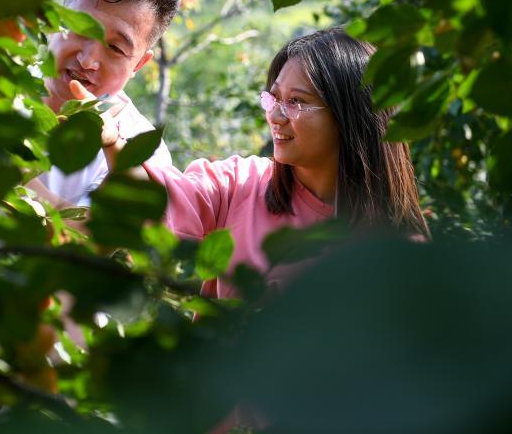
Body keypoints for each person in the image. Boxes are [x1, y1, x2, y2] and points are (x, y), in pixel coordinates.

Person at [97, 27, 431, 298]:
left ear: (349, 115)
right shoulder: (242, 184)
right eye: (274, 98)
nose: (274, 115)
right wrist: (112, 142)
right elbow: (157, 199)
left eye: (296, 101)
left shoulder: (394, 251)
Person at [29, 0, 180, 208]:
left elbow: (96, 231)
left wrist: (9, 176)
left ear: (139, 64)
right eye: (82, 29)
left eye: (115, 48)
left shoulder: (142, 150)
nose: (87, 61)